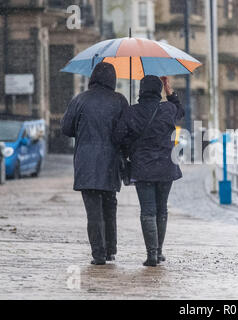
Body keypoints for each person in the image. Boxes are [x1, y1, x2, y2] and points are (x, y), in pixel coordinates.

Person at [61, 62, 128, 265]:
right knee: (110, 206)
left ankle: (98, 253)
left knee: (93, 211)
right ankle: (110, 250)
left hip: (86, 162)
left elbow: (66, 128)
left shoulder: (80, 99)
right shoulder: (120, 101)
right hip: (111, 161)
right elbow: (125, 132)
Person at [113, 75, 184, 267]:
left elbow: (119, 137)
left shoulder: (131, 112)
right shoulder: (168, 109)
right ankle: (159, 252)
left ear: (141, 91)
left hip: (142, 167)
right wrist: (170, 92)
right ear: (158, 91)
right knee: (162, 210)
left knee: (148, 211)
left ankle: (152, 254)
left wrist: (131, 147)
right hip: (166, 166)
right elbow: (181, 111)